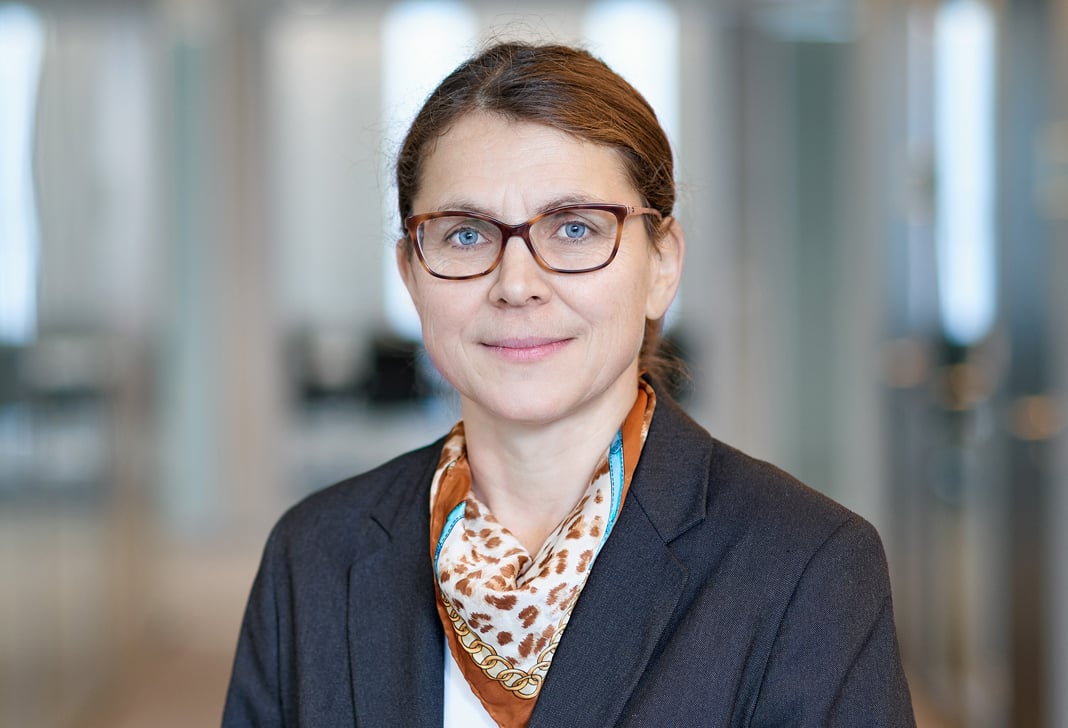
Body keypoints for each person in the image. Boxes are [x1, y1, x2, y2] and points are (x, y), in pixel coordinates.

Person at [222, 41, 915, 727]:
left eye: (575, 229)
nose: (516, 284)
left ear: (662, 265)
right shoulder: (314, 556)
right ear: (411, 272)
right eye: (465, 235)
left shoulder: (806, 567)